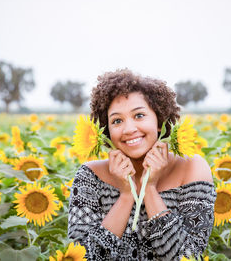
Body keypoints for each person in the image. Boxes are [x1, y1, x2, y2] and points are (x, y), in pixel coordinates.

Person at [68, 69, 216, 260]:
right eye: (117, 120)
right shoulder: (90, 176)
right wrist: (126, 194)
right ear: (106, 130)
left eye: (139, 115)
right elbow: (83, 257)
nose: (129, 129)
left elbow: (188, 256)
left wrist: (150, 189)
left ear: (159, 120)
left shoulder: (192, 169)